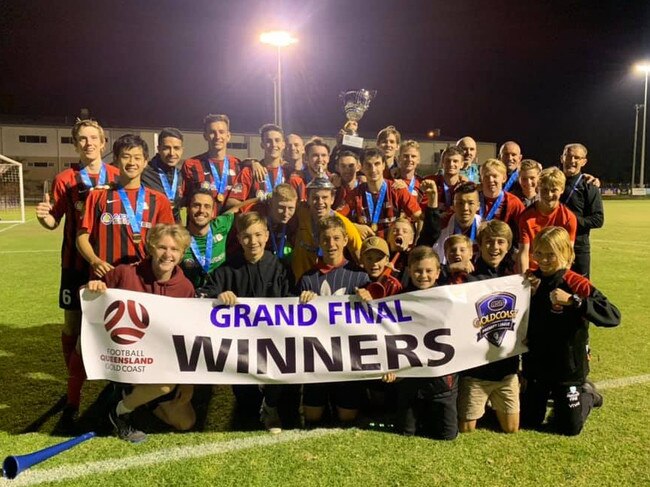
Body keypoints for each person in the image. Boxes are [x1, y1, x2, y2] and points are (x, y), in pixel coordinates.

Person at [35, 119, 120, 428]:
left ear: (103, 142)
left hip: (110, 265)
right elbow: (54, 222)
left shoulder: (117, 175)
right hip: (74, 265)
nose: (88, 144)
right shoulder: (65, 179)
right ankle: (73, 382)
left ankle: (115, 380)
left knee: (113, 323)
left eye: (93, 138)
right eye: (82, 139)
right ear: (75, 144)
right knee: (72, 324)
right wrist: (45, 218)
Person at [87, 224, 196, 443]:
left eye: (175, 250)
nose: (168, 254)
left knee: (186, 422)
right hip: (128, 358)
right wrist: (93, 287)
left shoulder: (185, 288)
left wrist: (188, 384)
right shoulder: (125, 274)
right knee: (164, 385)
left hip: (160, 362)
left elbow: (187, 337)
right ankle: (118, 411)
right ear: (151, 248)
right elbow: (90, 299)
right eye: (162, 247)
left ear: (182, 253)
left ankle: (141, 400)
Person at [198, 212, 295, 432]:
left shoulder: (280, 267)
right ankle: (253, 407)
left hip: (273, 340)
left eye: (258, 235)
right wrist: (218, 298)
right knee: (246, 406)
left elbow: (291, 299)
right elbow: (202, 297)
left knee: (280, 376)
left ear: (267, 236)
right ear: (239, 238)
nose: (253, 242)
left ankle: (270, 407)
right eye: (247, 236)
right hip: (239, 345)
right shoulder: (226, 269)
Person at [521, 226, 620, 436]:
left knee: (569, 427)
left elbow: (613, 316)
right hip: (537, 368)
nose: (544, 260)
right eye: (539, 253)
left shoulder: (575, 282)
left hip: (568, 368)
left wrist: (575, 302)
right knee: (529, 421)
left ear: (566, 253)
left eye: (551, 254)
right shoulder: (528, 280)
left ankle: (588, 395)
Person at [298, 216, 371, 426]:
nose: (331, 244)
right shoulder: (308, 279)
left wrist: (369, 300)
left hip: (348, 359)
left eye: (336, 238)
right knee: (312, 418)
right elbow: (291, 321)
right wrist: (302, 304)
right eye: (326, 239)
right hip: (316, 359)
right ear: (318, 242)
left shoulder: (359, 277)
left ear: (346, 240)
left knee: (347, 420)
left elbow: (374, 319)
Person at [384, 246, 458, 440]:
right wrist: (391, 366)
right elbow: (385, 333)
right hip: (410, 380)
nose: (423, 275)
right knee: (406, 432)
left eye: (428, 271)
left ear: (437, 272)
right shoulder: (399, 300)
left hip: (441, 381)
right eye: (418, 270)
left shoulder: (451, 299)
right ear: (409, 271)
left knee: (447, 435)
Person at [77, 134, 175, 276]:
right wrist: (94, 261)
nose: (131, 162)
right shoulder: (97, 196)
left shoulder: (159, 200)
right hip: (106, 278)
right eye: (126, 156)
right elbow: (82, 237)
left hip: (145, 278)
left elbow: (168, 241)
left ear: (145, 162)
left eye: (137, 157)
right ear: (116, 160)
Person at [458, 220, 519, 434]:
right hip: (476, 372)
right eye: (489, 242)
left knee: (511, 429)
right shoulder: (468, 277)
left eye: (500, 242)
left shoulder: (517, 279)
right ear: (480, 245)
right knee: (466, 428)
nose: (494, 248)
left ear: (508, 246)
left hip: (506, 372)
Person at [338, 148, 424, 240]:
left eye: (377, 164)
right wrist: (354, 226)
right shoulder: (355, 194)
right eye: (368, 165)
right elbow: (337, 218)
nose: (373, 169)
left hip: (391, 246)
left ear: (383, 165)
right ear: (361, 168)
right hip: (366, 247)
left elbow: (419, 217)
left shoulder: (397, 189)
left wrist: (416, 241)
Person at [292, 171, 362, 281]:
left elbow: (360, 256)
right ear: (308, 198)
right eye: (315, 197)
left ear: (332, 199)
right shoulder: (300, 211)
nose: (320, 202)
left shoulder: (343, 223)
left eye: (325, 197)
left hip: (330, 283)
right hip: (300, 281)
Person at [225, 124, 305, 206]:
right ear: (262, 145)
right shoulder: (250, 172)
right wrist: (253, 213)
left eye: (277, 140)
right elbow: (231, 202)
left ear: (283, 144)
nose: (273, 144)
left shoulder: (290, 173)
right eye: (268, 141)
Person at [518, 167, 577, 273]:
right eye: (544, 189)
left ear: (562, 190)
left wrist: (559, 279)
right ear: (537, 189)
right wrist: (524, 280)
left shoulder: (569, 218)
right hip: (532, 272)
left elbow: (568, 254)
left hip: (556, 271)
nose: (549, 194)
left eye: (554, 190)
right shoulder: (526, 217)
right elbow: (524, 252)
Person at [560, 143, 604, 278]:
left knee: (581, 289)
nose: (572, 161)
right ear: (562, 158)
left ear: (584, 162)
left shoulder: (589, 186)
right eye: (568, 156)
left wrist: (571, 221)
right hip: (553, 246)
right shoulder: (552, 181)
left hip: (578, 247)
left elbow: (598, 219)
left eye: (577, 158)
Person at [182, 114, 241, 214]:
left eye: (221, 132)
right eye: (212, 132)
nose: (217, 136)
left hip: (232, 227)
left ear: (228, 136)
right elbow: (183, 200)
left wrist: (253, 162)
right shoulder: (191, 165)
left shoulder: (239, 165)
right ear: (205, 136)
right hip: (202, 227)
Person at [179, 188, 237, 289]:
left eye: (207, 206)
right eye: (196, 205)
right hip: (190, 298)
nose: (201, 210)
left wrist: (265, 199)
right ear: (188, 209)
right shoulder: (179, 238)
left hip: (220, 293)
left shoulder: (221, 224)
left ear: (212, 212)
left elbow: (240, 207)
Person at [142, 127, 186, 223]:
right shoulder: (143, 172)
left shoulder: (180, 175)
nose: (172, 153)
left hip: (172, 232)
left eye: (176, 148)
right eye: (166, 148)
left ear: (182, 150)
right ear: (159, 149)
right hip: (152, 231)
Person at [479, 159, 525, 249]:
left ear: (504, 178)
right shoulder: (473, 199)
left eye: (495, 176)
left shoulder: (513, 202)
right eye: (486, 176)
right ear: (481, 178)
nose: (490, 180)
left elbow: (523, 230)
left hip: (502, 251)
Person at [432, 182, 482, 264]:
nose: (465, 208)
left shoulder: (484, 228)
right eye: (460, 203)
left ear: (478, 206)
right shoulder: (441, 225)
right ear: (453, 206)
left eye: (471, 203)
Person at [427, 146, 467, 214]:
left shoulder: (465, 186)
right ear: (442, 163)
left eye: (455, 161)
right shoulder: (431, 182)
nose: (451, 164)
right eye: (448, 160)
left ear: (462, 164)